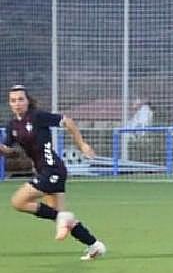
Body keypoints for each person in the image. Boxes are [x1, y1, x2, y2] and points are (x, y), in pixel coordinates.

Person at [1, 84, 106, 260]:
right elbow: (10, 151)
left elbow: (68, 121)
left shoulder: (37, 117)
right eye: (13, 100)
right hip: (43, 171)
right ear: (9, 104)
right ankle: (95, 245)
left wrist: (82, 145)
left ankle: (64, 217)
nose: (17, 103)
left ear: (28, 101)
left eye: (21, 99)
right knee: (62, 219)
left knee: (18, 201)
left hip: (53, 170)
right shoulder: (12, 125)